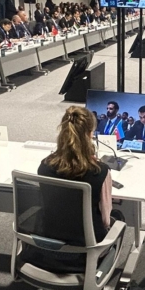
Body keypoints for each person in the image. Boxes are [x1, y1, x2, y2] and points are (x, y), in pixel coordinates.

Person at [37, 106, 116, 250]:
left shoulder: (44, 165)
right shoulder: (100, 171)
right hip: (85, 254)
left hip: (47, 246)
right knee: (118, 217)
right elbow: (105, 221)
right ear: (90, 134)